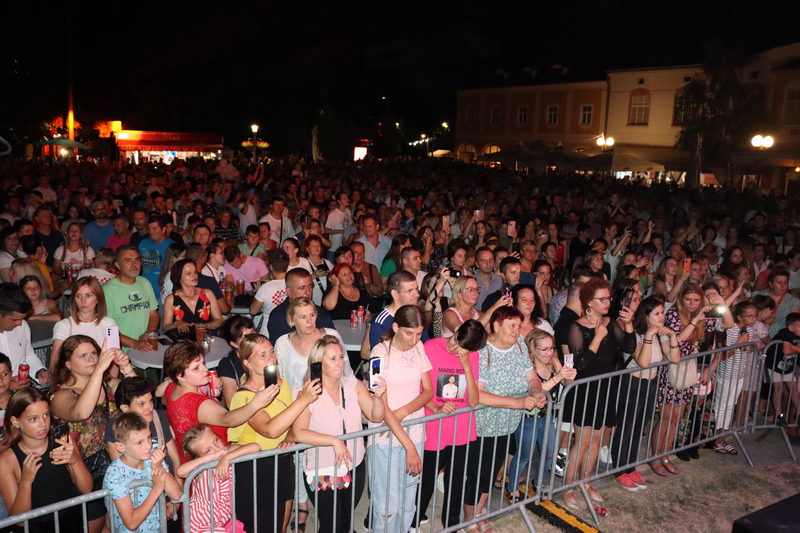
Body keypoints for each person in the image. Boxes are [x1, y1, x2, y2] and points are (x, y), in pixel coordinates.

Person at [291, 336, 387, 533]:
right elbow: (298, 433)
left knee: (345, 521)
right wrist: (334, 441)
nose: (339, 363)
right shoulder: (307, 393)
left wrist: (378, 397)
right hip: (322, 469)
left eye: (341, 357)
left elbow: (376, 416)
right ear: (318, 363)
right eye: (333, 358)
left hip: (354, 464)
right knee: (330, 524)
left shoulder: (354, 385)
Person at [228, 334, 322, 533]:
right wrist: (303, 400)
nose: (271, 358)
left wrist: (290, 435)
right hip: (255, 470)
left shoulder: (282, 384)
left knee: (281, 527)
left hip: (283, 462)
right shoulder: (245, 397)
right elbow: (270, 430)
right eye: (262, 355)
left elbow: (290, 420)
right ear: (247, 362)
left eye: (271, 352)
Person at [463, 306, 545, 531]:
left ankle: (479, 512)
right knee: (478, 474)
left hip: (507, 423)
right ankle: (469, 519)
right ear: (496, 326)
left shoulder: (519, 346)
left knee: (492, 472)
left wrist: (536, 392)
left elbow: (532, 378)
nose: (517, 330)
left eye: (519, 326)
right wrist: (518, 403)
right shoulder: (482, 351)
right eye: (512, 326)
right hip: (482, 425)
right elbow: (477, 394)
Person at [561, 278, 635, 508]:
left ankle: (585, 481)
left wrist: (629, 324)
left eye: (608, 298)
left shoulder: (611, 323)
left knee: (596, 439)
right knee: (582, 441)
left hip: (606, 387)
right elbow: (580, 363)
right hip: (585, 390)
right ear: (588, 302)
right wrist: (598, 337)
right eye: (601, 299)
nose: (607, 302)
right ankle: (567, 487)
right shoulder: (576, 327)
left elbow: (630, 347)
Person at [49, 334, 135, 532]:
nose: (91, 359)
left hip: (117, 466)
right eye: (83, 356)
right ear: (67, 363)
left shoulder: (108, 383)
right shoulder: (60, 394)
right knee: (93, 527)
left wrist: (126, 367)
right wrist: (99, 370)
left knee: (114, 525)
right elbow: (81, 412)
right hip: (85, 473)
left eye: (94, 353)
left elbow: (139, 398)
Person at [650, 283, 729, 476]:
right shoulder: (673, 314)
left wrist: (721, 302)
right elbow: (678, 340)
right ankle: (655, 457)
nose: (692, 304)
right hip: (671, 369)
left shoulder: (703, 315)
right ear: (681, 299)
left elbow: (728, 323)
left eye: (696, 300)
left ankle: (665, 454)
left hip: (688, 370)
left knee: (677, 417)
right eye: (688, 299)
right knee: (666, 417)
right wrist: (695, 320)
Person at [367, 305, 433, 533]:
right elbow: (381, 404)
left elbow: (428, 391)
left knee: (408, 501)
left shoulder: (419, 348)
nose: (414, 340)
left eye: (419, 334)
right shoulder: (379, 353)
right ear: (395, 327)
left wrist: (402, 412)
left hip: (414, 430)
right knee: (387, 504)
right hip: (385, 435)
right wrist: (409, 447)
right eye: (409, 333)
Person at [415, 320, 485, 529]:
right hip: (434, 428)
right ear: (455, 331)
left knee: (455, 482)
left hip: (462, 430)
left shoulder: (473, 356)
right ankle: (414, 520)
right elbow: (419, 390)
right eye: (455, 340)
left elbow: (473, 401)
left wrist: (466, 366)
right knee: (426, 479)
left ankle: (451, 524)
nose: (454, 348)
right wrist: (437, 407)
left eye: (462, 348)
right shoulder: (430, 347)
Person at [163, 340, 280, 463]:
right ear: (180, 376)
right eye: (196, 368)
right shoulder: (200, 405)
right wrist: (255, 404)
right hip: (215, 465)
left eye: (203, 363)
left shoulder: (171, 388)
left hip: (188, 460)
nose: (205, 369)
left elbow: (164, 401)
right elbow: (229, 420)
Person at [609, 296, 680, 491]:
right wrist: (649, 334)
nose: (662, 317)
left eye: (662, 312)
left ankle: (630, 468)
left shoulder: (661, 334)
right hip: (632, 384)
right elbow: (643, 362)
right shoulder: (635, 335)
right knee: (626, 428)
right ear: (646, 316)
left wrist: (672, 336)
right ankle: (619, 471)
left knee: (638, 428)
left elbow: (675, 358)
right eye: (657, 314)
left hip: (651, 384)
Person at [0, 388, 93, 533]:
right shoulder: (7, 460)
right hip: (34, 528)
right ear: (15, 421)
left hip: (70, 521)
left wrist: (75, 462)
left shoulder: (63, 442)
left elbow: (87, 489)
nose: (43, 424)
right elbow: (19, 521)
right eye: (33, 419)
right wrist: (26, 481)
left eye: (46, 415)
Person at [506, 330, 576, 502]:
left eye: (551, 348)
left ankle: (537, 483)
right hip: (527, 418)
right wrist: (559, 377)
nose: (549, 352)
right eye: (544, 349)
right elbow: (537, 388)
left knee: (550, 453)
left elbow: (565, 382)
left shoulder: (554, 362)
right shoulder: (526, 365)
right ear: (533, 349)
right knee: (524, 455)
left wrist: (569, 377)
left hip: (547, 416)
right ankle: (512, 488)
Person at [103, 412, 182, 533]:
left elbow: (176, 494)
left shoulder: (151, 459)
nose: (148, 446)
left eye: (149, 437)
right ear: (120, 446)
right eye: (139, 442)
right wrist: (156, 489)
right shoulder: (115, 475)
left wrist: (158, 467)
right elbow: (131, 523)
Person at [176, 424, 259, 533]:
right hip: (202, 521)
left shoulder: (226, 452)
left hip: (223, 518)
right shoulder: (202, 467)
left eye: (216, 440)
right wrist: (211, 458)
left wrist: (227, 457)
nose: (216, 448)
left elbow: (256, 447)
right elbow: (180, 472)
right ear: (199, 457)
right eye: (208, 450)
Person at [105, 377, 181, 476]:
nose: (150, 407)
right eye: (141, 404)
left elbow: (175, 459)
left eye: (150, 401)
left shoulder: (158, 417)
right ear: (125, 408)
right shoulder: (115, 426)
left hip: (167, 477)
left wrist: (179, 484)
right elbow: (121, 469)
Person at [712, 301, 759, 455]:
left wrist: (752, 346)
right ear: (739, 317)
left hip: (739, 373)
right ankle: (715, 438)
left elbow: (745, 350)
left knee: (731, 405)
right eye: (750, 316)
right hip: (726, 374)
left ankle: (722, 437)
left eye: (755, 315)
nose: (754, 319)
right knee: (722, 405)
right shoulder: (731, 330)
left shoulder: (749, 330)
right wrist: (740, 343)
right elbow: (724, 356)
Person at [275, 298, 351, 387]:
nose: (309, 321)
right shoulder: (282, 343)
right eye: (303, 317)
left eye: (312, 315)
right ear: (292, 320)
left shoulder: (332, 336)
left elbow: (347, 374)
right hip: (294, 395)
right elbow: (279, 379)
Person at [52, 277, 119, 372]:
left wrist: (111, 381)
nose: (83, 301)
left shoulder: (109, 323)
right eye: (78, 296)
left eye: (88, 295)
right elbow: (55, 363)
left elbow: (115, 360)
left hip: (103, 377)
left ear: (97, 298)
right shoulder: (64, 326)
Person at [103, 246, 160, 353]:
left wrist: (148, 332)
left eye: (137, 259)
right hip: (120, 354)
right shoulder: (107, 290)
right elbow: (106, 329)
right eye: (128, 260)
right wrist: (134, 343)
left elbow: (154, 314)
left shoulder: (145, 283)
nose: (134, 264)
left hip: (145, 350)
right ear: (118, 265)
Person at [0, 283, 51, 386]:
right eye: (14, 319)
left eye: (22, 318)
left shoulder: (23, 326)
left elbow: (28, 356)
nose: (20, 323)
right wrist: (7, 386)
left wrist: (40, 371)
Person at [268, 269, 336, 342]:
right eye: (302, 288)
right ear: (289, 292)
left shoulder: (321, 313)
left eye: (310, 286)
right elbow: (279, 347)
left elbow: (333, 341)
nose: (308, 292)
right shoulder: (277, 317)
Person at [369, 270, 430, 348]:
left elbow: (426, 348)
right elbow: (379, 353)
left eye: (416, 289)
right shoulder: (381, 322)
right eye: (410, 291)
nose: (417, 295)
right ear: (395, 294)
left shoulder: (417, 315)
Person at [162, 259, 224, 334]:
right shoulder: (171, 299)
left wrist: (206, 325)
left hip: (204, 338)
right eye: (188, 273)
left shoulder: (207, 293)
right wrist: (176, 324)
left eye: (195, 272)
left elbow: (219, 320)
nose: (194, 275)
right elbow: (165, 328)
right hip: (183, 340)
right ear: (179, 278)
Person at [216, 315, 255, 408]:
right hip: (243, 411)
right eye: (246, 336)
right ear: (234, 344)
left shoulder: (263, 355)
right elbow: (232, 404)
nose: (253, 338)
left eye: (253, 331)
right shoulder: (227, 364)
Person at [752, 267, 800, 338]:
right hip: (757, 339)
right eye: (779, 282)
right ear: (770, 284)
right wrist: (763, 322)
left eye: (785, 282)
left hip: (782, 340)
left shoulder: (794, 302)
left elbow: (795, 327)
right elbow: (747, 319)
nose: (783, 286)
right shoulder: (759, 296)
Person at [251, 249, 289, 334]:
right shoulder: (293, 284)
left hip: (268, 332)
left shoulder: (265, 288)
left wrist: (258, 291)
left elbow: (253, 311)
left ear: (271, 267)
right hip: (288, 330)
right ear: (287, 266)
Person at [303, 234, 333, 305]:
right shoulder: (303, 263)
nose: (316, 247)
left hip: (329, 300)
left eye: (318, 245)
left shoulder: (327, 262)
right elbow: (300, 283)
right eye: (313, 245)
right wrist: (313, 276)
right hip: (312, 302)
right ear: (307, 248)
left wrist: (331, 274)